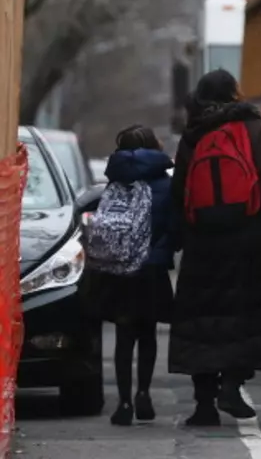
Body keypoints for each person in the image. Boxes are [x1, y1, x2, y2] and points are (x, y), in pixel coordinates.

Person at [169, 68, 261, 426]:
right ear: (234, 94)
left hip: (202, 240)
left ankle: (203, 405)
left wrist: (175, 238)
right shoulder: (254, 127)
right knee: (246, 316)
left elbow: (179, 192)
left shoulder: (193, 132)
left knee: (201, 320)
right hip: (247, 238)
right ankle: (231, 387)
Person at [81, 124, 176, 426]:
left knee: (124, 337)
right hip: (151, 269)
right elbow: (175, 227)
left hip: (119, 270)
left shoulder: (115, 182)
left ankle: (123, 403)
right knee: (147, 334)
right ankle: (144, 394)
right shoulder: (165, 184)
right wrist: (163, 252)